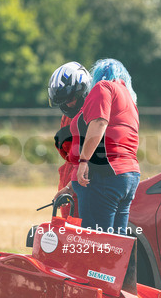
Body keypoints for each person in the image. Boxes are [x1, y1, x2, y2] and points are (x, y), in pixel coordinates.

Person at [67, 58, 140, 236]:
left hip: (105, 176)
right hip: (128, 177)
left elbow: (99, 123)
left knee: (96, 243)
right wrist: (71, 185)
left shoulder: (103, 88)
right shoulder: (129, 99)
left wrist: (83, 161)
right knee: (117, 244)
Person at [47, 62, 91, 219]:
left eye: (71, 98)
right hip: (70, 181)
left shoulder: (93, 113)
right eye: (63, 101)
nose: (68, 104)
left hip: (84, 184)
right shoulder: (67, 116)